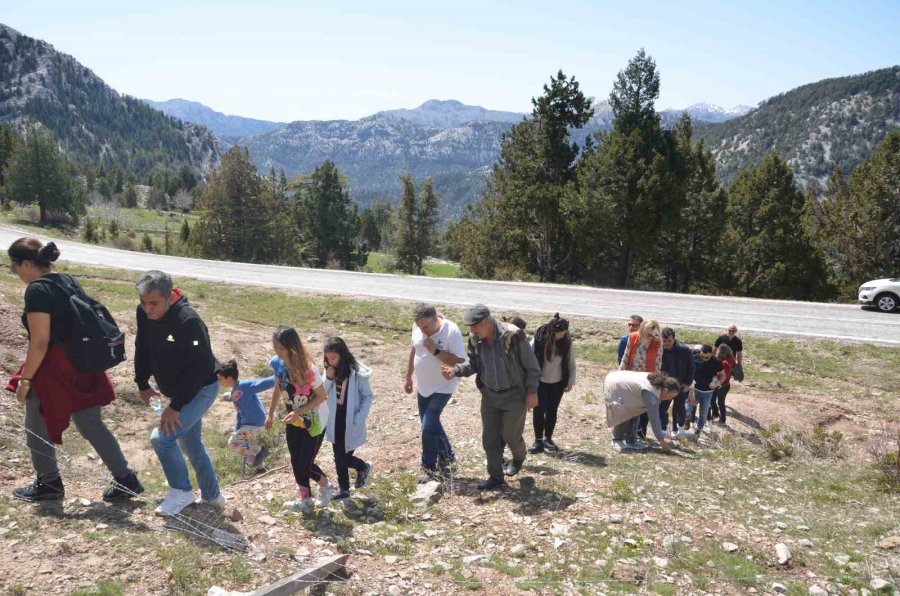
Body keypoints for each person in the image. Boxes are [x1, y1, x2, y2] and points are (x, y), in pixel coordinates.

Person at [6, 238, 142, 503]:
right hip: (83, 363)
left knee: (36, 425)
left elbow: (40, 341)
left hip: (55, 369)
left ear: (26, 263)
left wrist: (25, 380)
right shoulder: (67, 279)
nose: (16, 272)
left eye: (14, 267)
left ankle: (49, 484)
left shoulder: (37, 290)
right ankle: (126, 479)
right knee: (91, 423)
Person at [134, 270, 223, 516]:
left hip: (202, 388)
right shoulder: (144, 314)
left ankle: (181, 492)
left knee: (162, 439)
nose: (148, 309)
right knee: (192, 445)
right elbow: (142, 346)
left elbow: (202, 366)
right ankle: (213, 496)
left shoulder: (188, 321)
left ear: (170, 297)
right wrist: (142, 383)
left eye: (154, 304)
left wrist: (176, 407)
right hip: (180, 391)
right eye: (143, 302)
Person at [442, 304, 541, 491]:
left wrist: (532, 392)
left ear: (487, 322)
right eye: (470, 327)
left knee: (511, 435)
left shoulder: (513, 335)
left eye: (474, 326)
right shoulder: (475, 338)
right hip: (490, 396)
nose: (471, 331)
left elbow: (532, 367)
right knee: (489, 439)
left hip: (514, 395)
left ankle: (519, 456)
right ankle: (496, 477)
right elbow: (474, 364)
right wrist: (456, 371)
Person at [266, 326, 332, 511]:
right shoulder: (277, 363)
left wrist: (299, 411)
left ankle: (326, 485)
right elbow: (279, 386)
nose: (277, 352)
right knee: (296, 461)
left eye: (280, 348)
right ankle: (306, 500)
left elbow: (321, 397)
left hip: (315, 421)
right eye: (275, 347)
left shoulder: (308, 369)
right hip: (293, 419)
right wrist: (270, 413)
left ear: (291, 347)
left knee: (305, 464)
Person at [403, 303, 466, 481]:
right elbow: (414, 350)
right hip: (423, 386)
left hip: (443, 386)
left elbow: (460, 361)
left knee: (427, 427)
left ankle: (428, 467)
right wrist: (408, 377)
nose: (422, 331)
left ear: (435, 319)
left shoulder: (451, 331)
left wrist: (435, 351)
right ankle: (447, 455)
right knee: (431, 423)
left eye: (426, 327)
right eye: (419, 326)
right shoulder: (418, 327)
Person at [323, 337, 374, 500]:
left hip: (350, 420)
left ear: (342, 355)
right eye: (327, 358)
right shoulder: (329, 370)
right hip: (334, 419)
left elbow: (367, 395)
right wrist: (329, 377)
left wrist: (359, 417)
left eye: (333, 358)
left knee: (342, 456)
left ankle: (362, 467)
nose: (330, 361)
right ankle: (344, 489)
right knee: (338, 455)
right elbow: (321, 393)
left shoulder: (356, 372)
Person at [529, 314, 576, 453]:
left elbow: (571, 362)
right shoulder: (538, 340)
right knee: (539, 410)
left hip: (558, 382)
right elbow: (529, 360)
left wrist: (571, 381)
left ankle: (547, 438)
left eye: (564, 333)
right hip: (540, 381)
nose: (562, 335)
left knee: (552, 410)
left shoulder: (567, 342)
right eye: (560, 333)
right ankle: (538, 441)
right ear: (552, 332)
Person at [218, 359, 274, 472]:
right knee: (244, 446)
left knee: (233, 443)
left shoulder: (243, 386)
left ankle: (260, 450)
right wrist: (237, 428)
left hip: (256, 423)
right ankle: (259, 467)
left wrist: (278, 377)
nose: (219, 381)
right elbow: (239, 413)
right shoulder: (235, 392)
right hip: (248, 425)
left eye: (220, 378)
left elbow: (261, 384)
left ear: (228, 378)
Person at [604, 370, 678, 452]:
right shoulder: (652, 393)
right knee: (624, 411)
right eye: (670, 396)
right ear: (665, 390)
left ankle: (631, 440)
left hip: (619, 380)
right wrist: (661, 441)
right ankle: (617, 440)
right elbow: (654, 419)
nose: (670, 399)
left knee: (636, 410)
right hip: (615, 384)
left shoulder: (657, 385)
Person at [620, 320, 662, 439]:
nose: (649, 338)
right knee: (626, 406)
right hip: (630, 377)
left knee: (638, 409)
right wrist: (620, 373)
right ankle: (621, 434)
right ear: (642, 330)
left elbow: (658, 365)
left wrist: (656, 385)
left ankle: (634, 435)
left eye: (652, 335)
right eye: (647, 334)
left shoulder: (658, 343)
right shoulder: (633, 337)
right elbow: (626, 357)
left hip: (645, 380)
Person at [660, 328, 694, 439]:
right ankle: (663, 430)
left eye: (669, 341)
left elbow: (691, 368)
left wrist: (687, 383)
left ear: (674, 339)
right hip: (665, 387)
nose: (667, 344)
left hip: (681, 386)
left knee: (680, 409)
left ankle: (679, 430)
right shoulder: (659, 350)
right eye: (664, 341)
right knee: (662, 408)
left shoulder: (684, 350)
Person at [688, 344, 725, 437]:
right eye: (702, 357)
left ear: (712, 354)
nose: (704, 359)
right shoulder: (694, 358)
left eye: (707, 357)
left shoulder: (716, 362)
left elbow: (723, 375)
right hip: (694, 390)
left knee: (703, 415)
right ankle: (686, 423)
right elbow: (687, 371)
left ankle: (698, 430)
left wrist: (717, 383)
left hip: (707, 393)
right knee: (687, 410)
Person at [710, 344, 736, 425]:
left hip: (722, 385)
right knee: (713, 400)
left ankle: (722, 419)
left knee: (720, 403)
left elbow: (724, 375)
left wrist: (715, 377)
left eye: (718, 350)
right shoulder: (732, 360)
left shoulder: (724, 362)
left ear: (720, 351)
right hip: (724, 384)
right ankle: (716, 414)